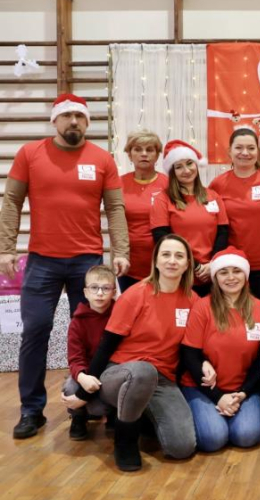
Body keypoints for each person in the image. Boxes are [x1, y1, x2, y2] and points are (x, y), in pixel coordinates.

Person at [0, 93, 130, 439]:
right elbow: (11, 200)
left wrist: (121, 249)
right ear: (55, 120)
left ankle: (82, 407)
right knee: (35, 332)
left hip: (87, 262)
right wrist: (6, 248)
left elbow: (115, 208)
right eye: (68, 116)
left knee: (94, 336)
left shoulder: (102, 159)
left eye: (80, 117)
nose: (74, 122)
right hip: (42, 260)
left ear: (87, 122)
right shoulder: (30, 154)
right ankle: (31, 411)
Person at [62, 234, 198, 471]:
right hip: (121, 372)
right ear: (155, 261)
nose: (172, 261)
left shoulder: (193, 300)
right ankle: (125, 441)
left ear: (187, 264)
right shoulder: (136, 293)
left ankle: (141, 413)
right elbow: (107, 344)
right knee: (143, 372)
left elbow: (190, 349)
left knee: (181, 448)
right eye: (165, 254)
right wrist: (83, 393)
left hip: (162, 380)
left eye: (179, 256)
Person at [180, 247, 260, 451]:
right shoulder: (202, 307)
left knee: (247, 436)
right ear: (215, 277)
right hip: (203, 389)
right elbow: (190, 355)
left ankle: (231, 413)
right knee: (213, 439)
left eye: (236, 271)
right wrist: (218, 397)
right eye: (223, 272)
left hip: (243, 390)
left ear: (246, 275)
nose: (231, 277)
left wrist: (243, 393)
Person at [210, 127, 260, 309]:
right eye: (239, 148)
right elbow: (214, 228)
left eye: (251, 148)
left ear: (258, 151)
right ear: (229, 151)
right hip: (234, 270)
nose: (245, 153)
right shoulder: (218, 184)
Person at [150, 140, 229, 297]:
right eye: (179, 167)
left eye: (189, 164)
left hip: (211, 273)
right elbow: (161, 238)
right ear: (172, 172)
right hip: (181, 273)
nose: (186, 170)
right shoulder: (162, 199)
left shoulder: (212, 196)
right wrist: (196, 266)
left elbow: (223, 232)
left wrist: (212, 264)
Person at [62, 265, 116, 441]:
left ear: (113, 292)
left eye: (106, 288)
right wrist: (82, 377)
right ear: (85, 292)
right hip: (87, 374)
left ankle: (114, 415)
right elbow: (75, 358)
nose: (99, 293)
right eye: (94, 288)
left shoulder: (119, 315)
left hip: (110, 373)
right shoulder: (77, 322)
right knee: (70, 386)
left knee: (102, 405)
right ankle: (78, 417)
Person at [119, 130, 168, 292]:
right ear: (129, 154)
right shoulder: (119, 184)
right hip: (129, 264)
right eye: (138, 149)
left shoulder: (168, 184)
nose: (144, 154)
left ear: (157, 155)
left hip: (163, 263)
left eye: (149, 149)